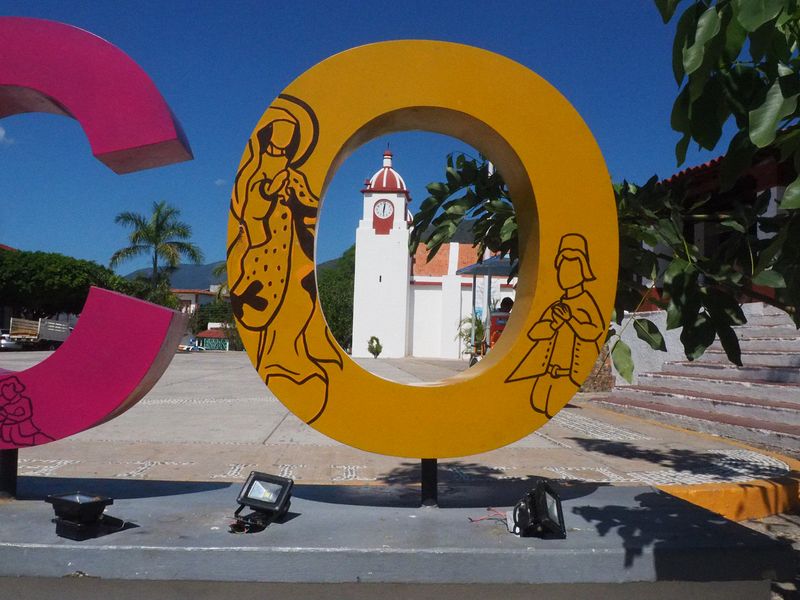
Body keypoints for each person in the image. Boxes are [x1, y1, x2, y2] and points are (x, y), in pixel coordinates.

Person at [505, 234, 603, 417]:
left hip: (567, 376)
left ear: (583, 271)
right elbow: (534, 332)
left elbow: (593, 331)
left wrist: (570, 320)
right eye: (562, 268)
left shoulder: (586, 302)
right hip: (547, 373)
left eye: (571, 268)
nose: (565, 274)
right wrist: (553, 324)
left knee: (547, 407)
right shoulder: (557, 304)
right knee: (536, 403)